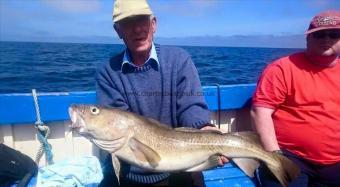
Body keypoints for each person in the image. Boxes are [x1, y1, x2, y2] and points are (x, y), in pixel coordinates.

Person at [95, 0, 227, 186]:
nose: (137, 29)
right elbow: (120, 126)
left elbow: (191, 105)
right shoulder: (108, 71)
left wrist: (203, 129)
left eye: (141, 20)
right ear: (118, 31)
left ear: (153, 24)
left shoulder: (179, 59)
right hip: (129, 175)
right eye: (127, 23)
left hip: (180, 171)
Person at [251, 10, 340, 187]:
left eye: (334, 34)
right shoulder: (282, 69)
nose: (326, 39)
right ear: (308, 38)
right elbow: (260, 112)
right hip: (290, 156)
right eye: (319, 34)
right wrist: (275, 156)